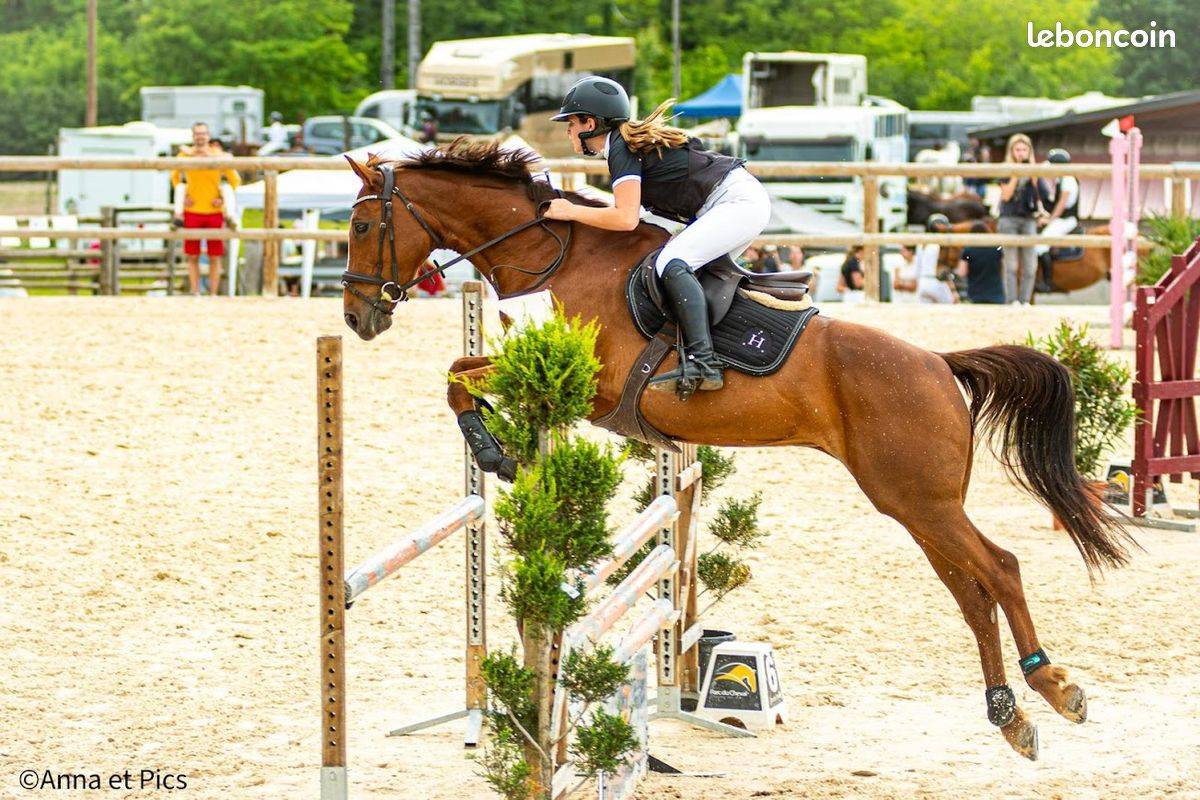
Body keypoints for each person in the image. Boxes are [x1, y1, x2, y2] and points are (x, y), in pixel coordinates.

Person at [545, 76, 770, 395]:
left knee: (672, 263)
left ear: (589, 123)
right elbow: (636, 215)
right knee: (689, 272)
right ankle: (715, 353)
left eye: (570, 124)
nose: (568, 131)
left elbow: (624, 219)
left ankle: (704, 363)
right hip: (734, 201)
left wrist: (570, 211)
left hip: (735, 202)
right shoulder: (624, 146)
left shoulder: (620, 149)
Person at [170, 122, 240, 296]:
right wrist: (184, 194)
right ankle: (195, 291)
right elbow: (174, 177)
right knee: (192, 256)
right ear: (193, 136)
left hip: (213, 210)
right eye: (197, 134)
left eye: (204, 134)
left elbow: (235, 180)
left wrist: (221, 198)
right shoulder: (184, 156)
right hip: (192, 210)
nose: (200, 137)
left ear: (209, 136)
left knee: (214, 256)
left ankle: (213, 293)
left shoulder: (218, 156)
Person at [997, 133, 1050, 305]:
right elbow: (1006, 196)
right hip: (1008, 218)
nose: (1021, 153)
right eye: (1017, 150)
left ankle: (1025, 300)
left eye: (1024, 150)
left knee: (1030, 264)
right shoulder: (1005, 169)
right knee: (1011, 264)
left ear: (1029, 151)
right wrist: (1016, 172)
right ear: (1011, 152)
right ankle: (1012, 301)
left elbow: (1044, 194)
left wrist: (1033, 175)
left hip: (1028, 218)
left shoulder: (1034, 170)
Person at [1035, 148, 1079, 292]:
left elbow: (1062, 204)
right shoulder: (1064, 178)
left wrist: (1050, 220)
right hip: (1063, 218)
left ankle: (1047, 282)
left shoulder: (1067, 179)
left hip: (1066, 219)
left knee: (1040, 245)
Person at [956, 222, 1007, 304]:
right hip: (997, 295)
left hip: (975, 296)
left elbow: (961, 272)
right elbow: (1005, 267)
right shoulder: (996, 249)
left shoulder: (968, 250)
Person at [914, 215, 958, 304]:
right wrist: (953, 289)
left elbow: (917, 267)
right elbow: (944, 269)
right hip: (937, 281)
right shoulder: (942, 244)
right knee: (949, 309)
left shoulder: (922, 244)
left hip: (923, 281)